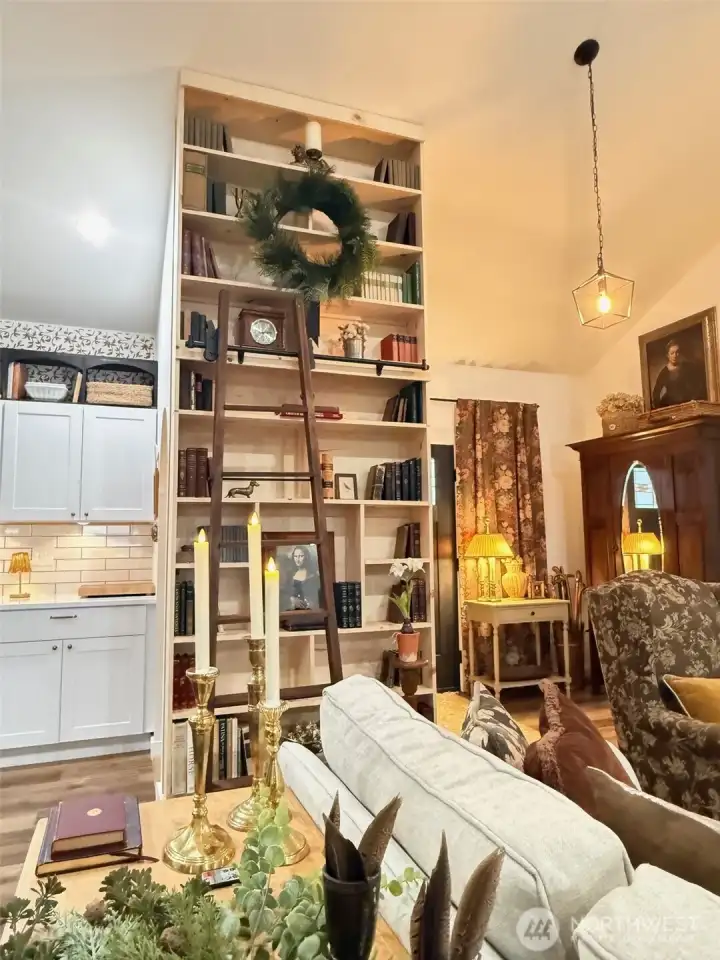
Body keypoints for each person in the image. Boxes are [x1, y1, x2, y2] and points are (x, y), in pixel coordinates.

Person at [651, 338, 706, 408]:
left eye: (677, 352)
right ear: (667, 355)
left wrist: (694, 399)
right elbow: (656, 393)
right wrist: (659, 409)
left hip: (687, 403)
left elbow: (698, 383)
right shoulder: (664, 372)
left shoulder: (688, 366)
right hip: (671, 406)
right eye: (672, 353)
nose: (675, 355)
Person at [284, 546, 320, 610]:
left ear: (306, 557)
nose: (297, 559)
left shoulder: (313, 576)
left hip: (309, 610)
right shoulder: (289, 574)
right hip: (292, 610)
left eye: (301, 556)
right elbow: (284, 592)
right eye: (295, 556)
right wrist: (291, 599)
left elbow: (316, 596)